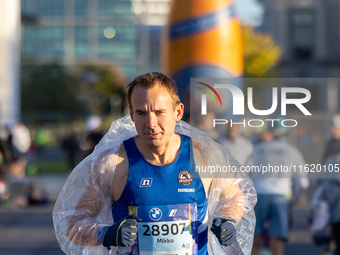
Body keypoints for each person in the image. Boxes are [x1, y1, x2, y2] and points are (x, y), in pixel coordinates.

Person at [53, 72, 256, 255]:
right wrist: (107, 233)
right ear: (131, 114)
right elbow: (73, 225)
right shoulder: (112, 163)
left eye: (159, 112)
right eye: (141, 113)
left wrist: (229, 221)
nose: (151, 124)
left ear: (178, 112)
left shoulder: (204, 155)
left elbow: (235, 197)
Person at [246, 119, 309, 255]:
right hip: (281, 197)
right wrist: (293, 199)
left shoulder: (258, 149)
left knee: (254, 239)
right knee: (278, 240)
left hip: (259, 196)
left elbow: (244, 174)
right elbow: (303, 183)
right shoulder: (292, 151)